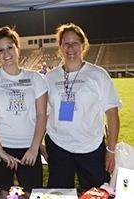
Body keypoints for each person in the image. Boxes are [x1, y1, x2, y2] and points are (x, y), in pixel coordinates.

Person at [44, 23, 121, 190]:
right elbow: (43, 114)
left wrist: (111, 150)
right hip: (58, 146)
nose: (70, 47)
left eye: (75, 43)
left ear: (83, 45)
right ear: (60, 47)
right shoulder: (50, 78)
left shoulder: (98, 75)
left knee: (97, 192)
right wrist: (39, 145)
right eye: (66, 43)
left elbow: (112, 113)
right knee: (59, 193)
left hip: (90, 146)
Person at [0, 26, 48, 191]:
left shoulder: (35, 78)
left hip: (28, 150)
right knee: (2, 193)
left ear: (18, 48)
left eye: (10, 47)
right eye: (1, 50)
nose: (6, 53)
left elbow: (41, 115)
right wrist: (0, 152)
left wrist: (34, 148)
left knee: (32, 193)